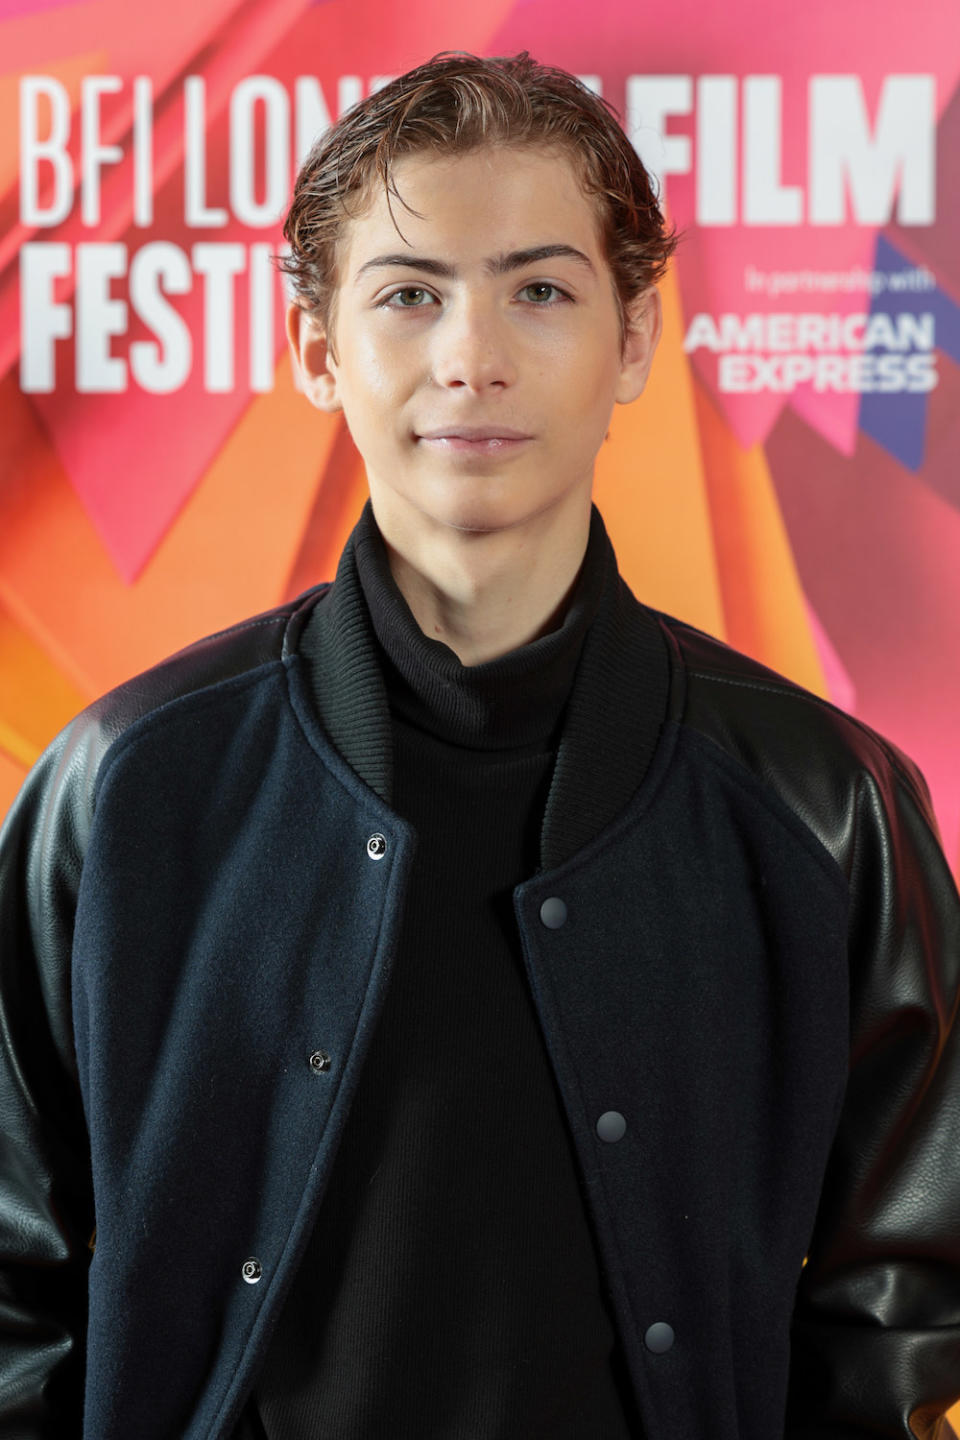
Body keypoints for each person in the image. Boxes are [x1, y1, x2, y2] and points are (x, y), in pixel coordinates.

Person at [0, 48, 958, 1440]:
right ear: (319, 350)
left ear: (634, 338)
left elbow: (908, 1311)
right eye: (408, 294)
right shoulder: (123, 788)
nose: (473, 356)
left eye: (542, 289)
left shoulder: (828, 806)